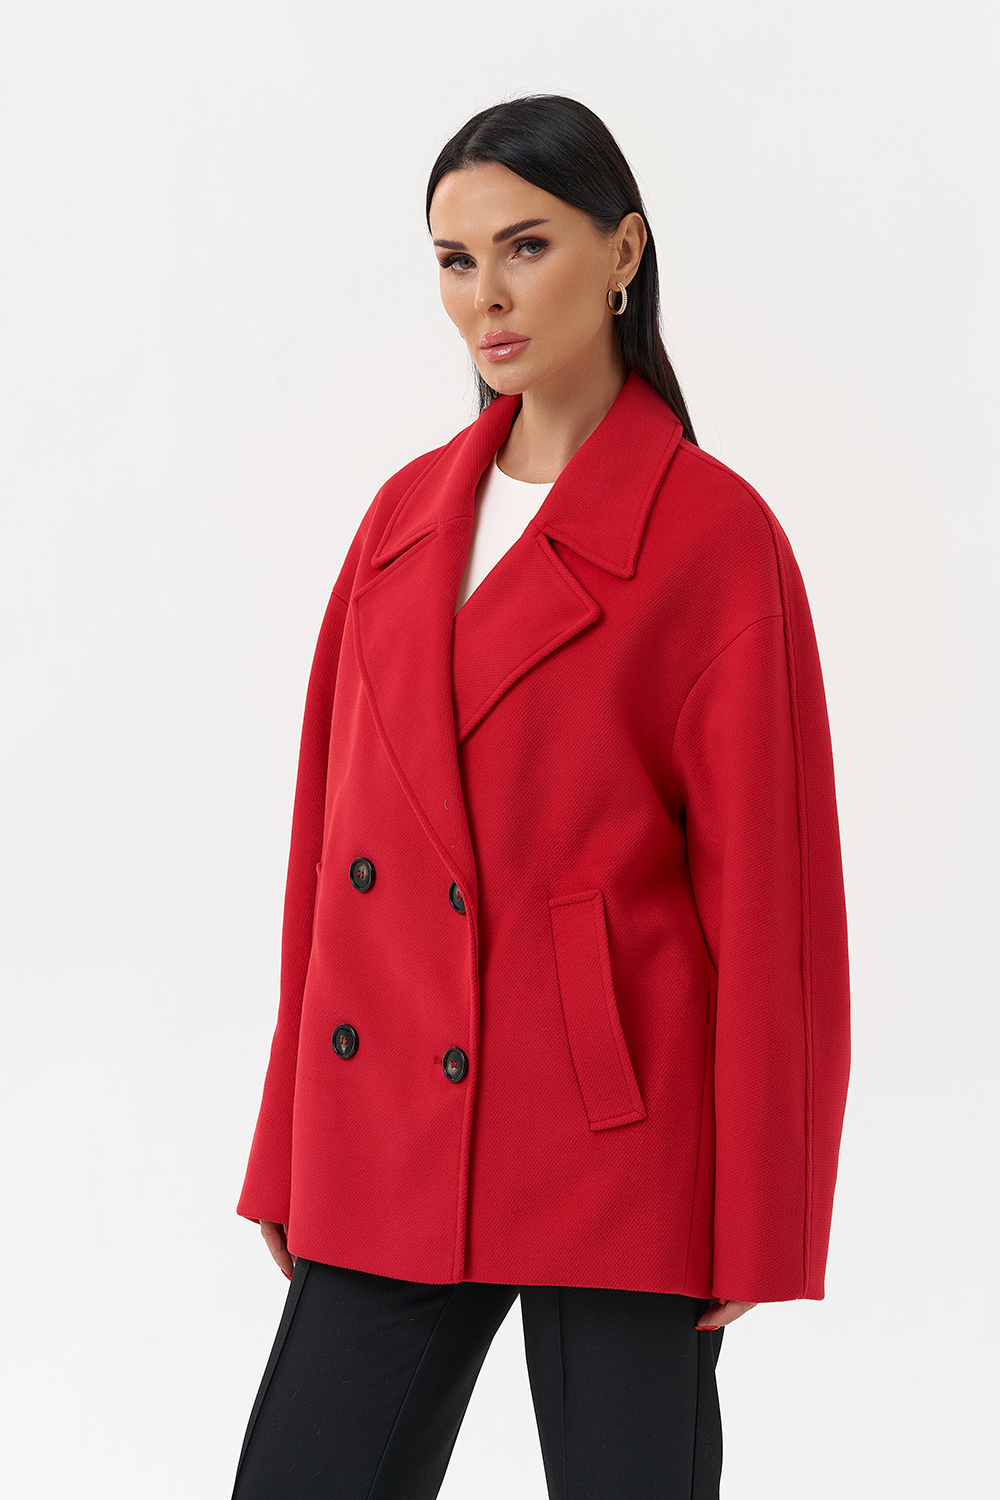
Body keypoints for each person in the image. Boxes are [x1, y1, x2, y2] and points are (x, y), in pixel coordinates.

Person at [229, 94, 851, 1500]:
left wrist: (766, 1209)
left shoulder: (715, 535)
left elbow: (775, 903)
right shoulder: (401, 520)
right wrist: (290, 1144)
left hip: (616, 1140)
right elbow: (327, 860)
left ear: (623, 251)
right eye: (455, 261)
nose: (486, 298)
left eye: (526, 246)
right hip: (390, 1122)